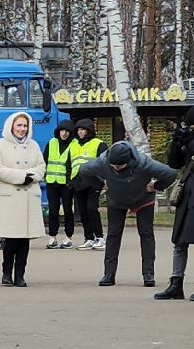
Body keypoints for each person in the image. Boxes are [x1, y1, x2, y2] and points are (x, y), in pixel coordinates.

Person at [71, 139, 177, 287]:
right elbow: (83, 170)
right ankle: (109, 274)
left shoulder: (143, 162)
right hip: (116, 200)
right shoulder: (103, 161)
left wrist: (156, 186)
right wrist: (100, 184)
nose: (116, 168)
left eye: (120, 166)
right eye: (112, 165)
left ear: (129, 160)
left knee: (146, 233)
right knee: (113, 234)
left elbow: (170, 173)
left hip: (143, 199)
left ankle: (148, 274)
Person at [158, 106, 194, 301]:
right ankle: (176, 284)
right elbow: (174, 164)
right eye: (191, 128)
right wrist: (177, 143)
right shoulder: (189, 139)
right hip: (186, 197)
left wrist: (192, 141)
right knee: (179, 242)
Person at [0, 111, 46, 287]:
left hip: (29, 197)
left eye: (25, 125)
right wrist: (21, 177)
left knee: (24, 240)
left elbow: (41, 166)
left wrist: (32, 176)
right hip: (10, 197)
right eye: (19, 125)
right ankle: (6, 272)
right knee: (11, 239)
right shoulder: (0, 145)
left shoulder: (33, 145)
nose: (22, 129)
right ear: (11, 126)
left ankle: (20, 275)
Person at [68, 118, 105, 248]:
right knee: (83, 211)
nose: (81, 132)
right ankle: (89, 238)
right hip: (78, 182)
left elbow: (104, 163)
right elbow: (69, 163)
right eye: (79, 130)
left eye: (83, 129)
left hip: (93, 181)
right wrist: (70, 181)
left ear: (89, 130)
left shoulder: (98, 144)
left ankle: (99, 237)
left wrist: (103, 180)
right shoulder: (73, 145)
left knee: (92, 209)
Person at [43, 121, 76, 247]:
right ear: (58, 131)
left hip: (67, 183)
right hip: (52, 182)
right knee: (53, 211)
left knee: (68, 210)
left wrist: (71, 181)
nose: (64, 133)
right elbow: (45, 159)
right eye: (62, 131)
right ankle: (52, 237)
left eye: (67, 131)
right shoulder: (52, 142)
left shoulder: (74, 144)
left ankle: (69, 237)